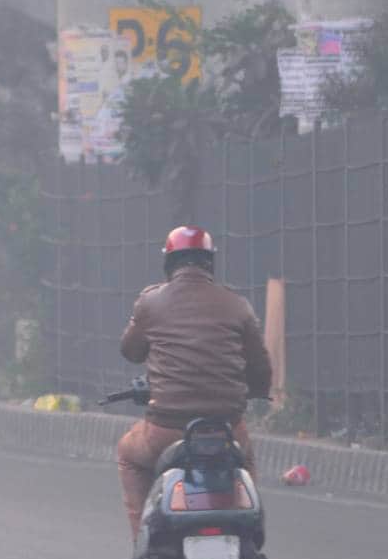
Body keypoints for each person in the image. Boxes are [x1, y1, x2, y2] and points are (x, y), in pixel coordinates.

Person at [115, 225, 272, 536]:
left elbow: (130, 351)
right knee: (245, 461)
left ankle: (143, 537)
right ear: (209, 262)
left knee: (128, 455)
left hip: (165, 428)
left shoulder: (150, 302)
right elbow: (260, 366)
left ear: (169, 263)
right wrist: (258, 392)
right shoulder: (237, 304)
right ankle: (251, 528)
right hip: (227, 427)